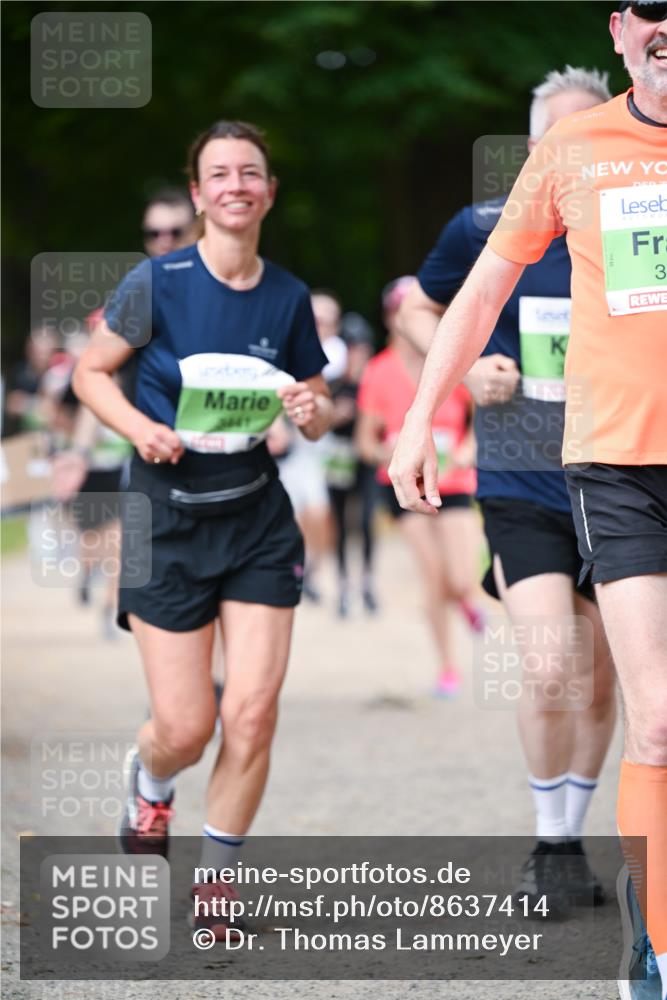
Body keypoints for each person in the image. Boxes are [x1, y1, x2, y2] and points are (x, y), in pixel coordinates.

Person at [390, 7, 666, 997]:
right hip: (553, 470)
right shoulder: (514, 201)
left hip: (605, 456)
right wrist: (442, 395)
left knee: (609, 687)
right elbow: (434, 300)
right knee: (590, 679)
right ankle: (601, 886)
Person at [72, 120, 332, 939]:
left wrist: (309, 408)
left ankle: (216, 888)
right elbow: (90, 373)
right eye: (218, 173)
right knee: (186, 727)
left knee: (251, 712)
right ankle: (150, 786)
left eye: (250, 172)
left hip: (255, 519)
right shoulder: (158, 283)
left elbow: (319, 415)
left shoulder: (288, 297)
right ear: (198, 195)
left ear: (268, 192)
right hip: (166, 521)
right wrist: (136, 430)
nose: (235, 185)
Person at [398, 67, 617, 910]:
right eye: (558, 137)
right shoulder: (483, 229)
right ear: (535, 149)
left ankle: (570, 837)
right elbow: (418, 310)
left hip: (613, 475)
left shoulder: (632, 227)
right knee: (549, 662)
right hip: (519, 478)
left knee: (601, 683)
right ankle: (547, 841)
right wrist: (465, 372)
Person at [357, 276, 482, 696]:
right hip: (406, 490)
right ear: (391, 318)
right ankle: (448, 668)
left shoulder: (453, 361)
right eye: (397, 310)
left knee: (462, 578)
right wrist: (389, 450)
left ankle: (465, 600)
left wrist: (467, 447)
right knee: (433, 577)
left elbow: (482, 420)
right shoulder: (378, 371)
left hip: (455, 481)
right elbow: (363, 442)